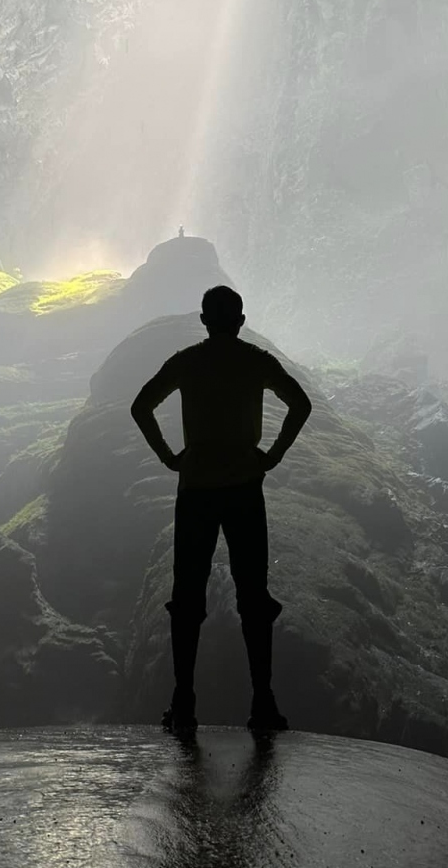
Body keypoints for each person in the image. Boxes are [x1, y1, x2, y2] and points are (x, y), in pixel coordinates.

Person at [131, 285, 312, 737]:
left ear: (204, 320)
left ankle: (184, 702)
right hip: (245, 488)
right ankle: (263, 702)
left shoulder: (187, 361)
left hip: (195, 489)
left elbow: (141, 406)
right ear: (242, 320)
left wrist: (170, 456)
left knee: (186, 599)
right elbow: (300, 404)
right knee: (255, 597)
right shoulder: (257, 361)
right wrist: (272, 455)